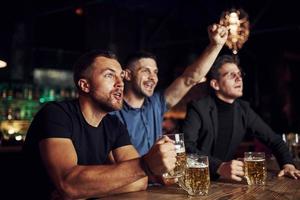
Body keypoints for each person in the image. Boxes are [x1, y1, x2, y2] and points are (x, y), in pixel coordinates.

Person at [22, 50, 177, 199]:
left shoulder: (113, 124)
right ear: (85, 85)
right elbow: (68, 183)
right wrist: (145, 165)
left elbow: (140, 181)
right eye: (110, 75)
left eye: (121, 77)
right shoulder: (56, 114)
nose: (120, 84)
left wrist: (84, 191)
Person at [112, 23, 228, 156]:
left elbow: (189, 79)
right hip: (133, 176)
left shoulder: (156, 103)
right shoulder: (113, 113)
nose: (153, 78)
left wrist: (216, 45)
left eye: (155, 72)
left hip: (160, 176)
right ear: (127, 75)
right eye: (145, 71)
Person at [181, 54, 300, 181]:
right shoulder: (198, 108)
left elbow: (274, 140)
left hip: (222, 183)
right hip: (194, 180)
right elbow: (186, 148)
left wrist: (288, 164)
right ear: (215, 84)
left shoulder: (243, 109)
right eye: (231, 75)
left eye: (239, 74)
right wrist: (219, 167)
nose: (239, 79)